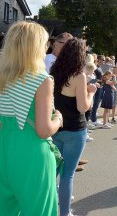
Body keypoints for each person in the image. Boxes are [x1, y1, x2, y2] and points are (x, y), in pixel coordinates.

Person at [0, 21, 62, 216]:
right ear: (34, 47)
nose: (48, 47)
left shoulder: (2, 77)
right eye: (44, 43)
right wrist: (59, 119)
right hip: (31, 153)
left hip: (3, 148)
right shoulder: (41, 79)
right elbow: (43, 130)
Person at [50, 38, 97, 216]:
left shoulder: (55, 71)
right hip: (75, 131)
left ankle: (51, 207)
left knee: (53, 172)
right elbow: (82, 107)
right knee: (67, 175)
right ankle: (65, 213)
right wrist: (91, 93)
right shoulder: (79, 75)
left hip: (57, 128)